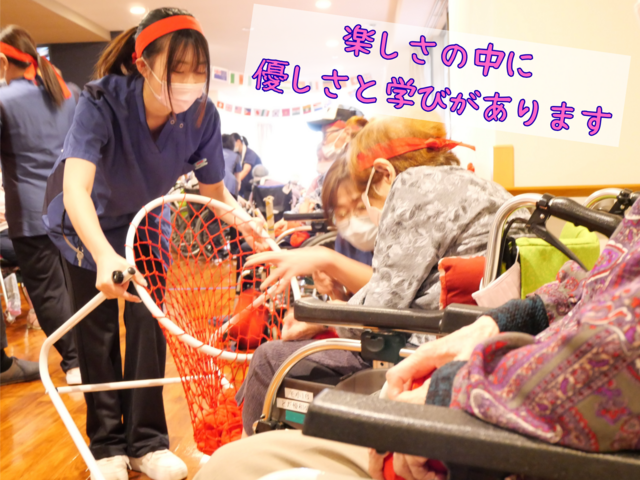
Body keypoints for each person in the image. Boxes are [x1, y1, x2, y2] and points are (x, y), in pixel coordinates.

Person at [195, 195, 640, 480]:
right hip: (486, 362)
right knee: (236, 461)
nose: (348, 218)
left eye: (349, 203)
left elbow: (614, 357)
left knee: (237, 449)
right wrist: (496, 323)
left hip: (506, 429)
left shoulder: (415, 194)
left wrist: (444, 394)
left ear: (380, 174)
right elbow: (587, 292)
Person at [42, 8, 264, 480]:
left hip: (143, 222)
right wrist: (104, 255)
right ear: (143, 65)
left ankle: (147, 442)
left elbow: (215, 194)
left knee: (148, 322)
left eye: (199, 70)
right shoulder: (101, 101)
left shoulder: (201, 115)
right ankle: (106, 446)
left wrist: (254, 232)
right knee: (98, 333)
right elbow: (76, 188)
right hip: (86, 223)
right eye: (178, 69)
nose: (190, 81)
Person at [234, 117, 517, 436]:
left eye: (361, 198)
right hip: (487, 343)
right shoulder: (488, 188)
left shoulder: (412, 187)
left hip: (421, 352)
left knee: (268, 359)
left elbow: (379, 316)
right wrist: (337, 305)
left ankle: (252, 455)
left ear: (383, 173)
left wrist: (322, 316)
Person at [0, 26, 81, 384]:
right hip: (72, 206)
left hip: (31, 214)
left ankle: (76, 362)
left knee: (49, 293)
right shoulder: (67, 92)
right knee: (75, 288)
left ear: (4, 60)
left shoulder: (4, 99)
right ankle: (90, 358)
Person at [234, 133, 263, 199]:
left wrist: (233, 183)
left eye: (232, 143)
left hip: (253, 188)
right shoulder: (238, 155)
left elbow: (245, 171)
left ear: (238, 141)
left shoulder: (250, 153)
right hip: (244, 188)